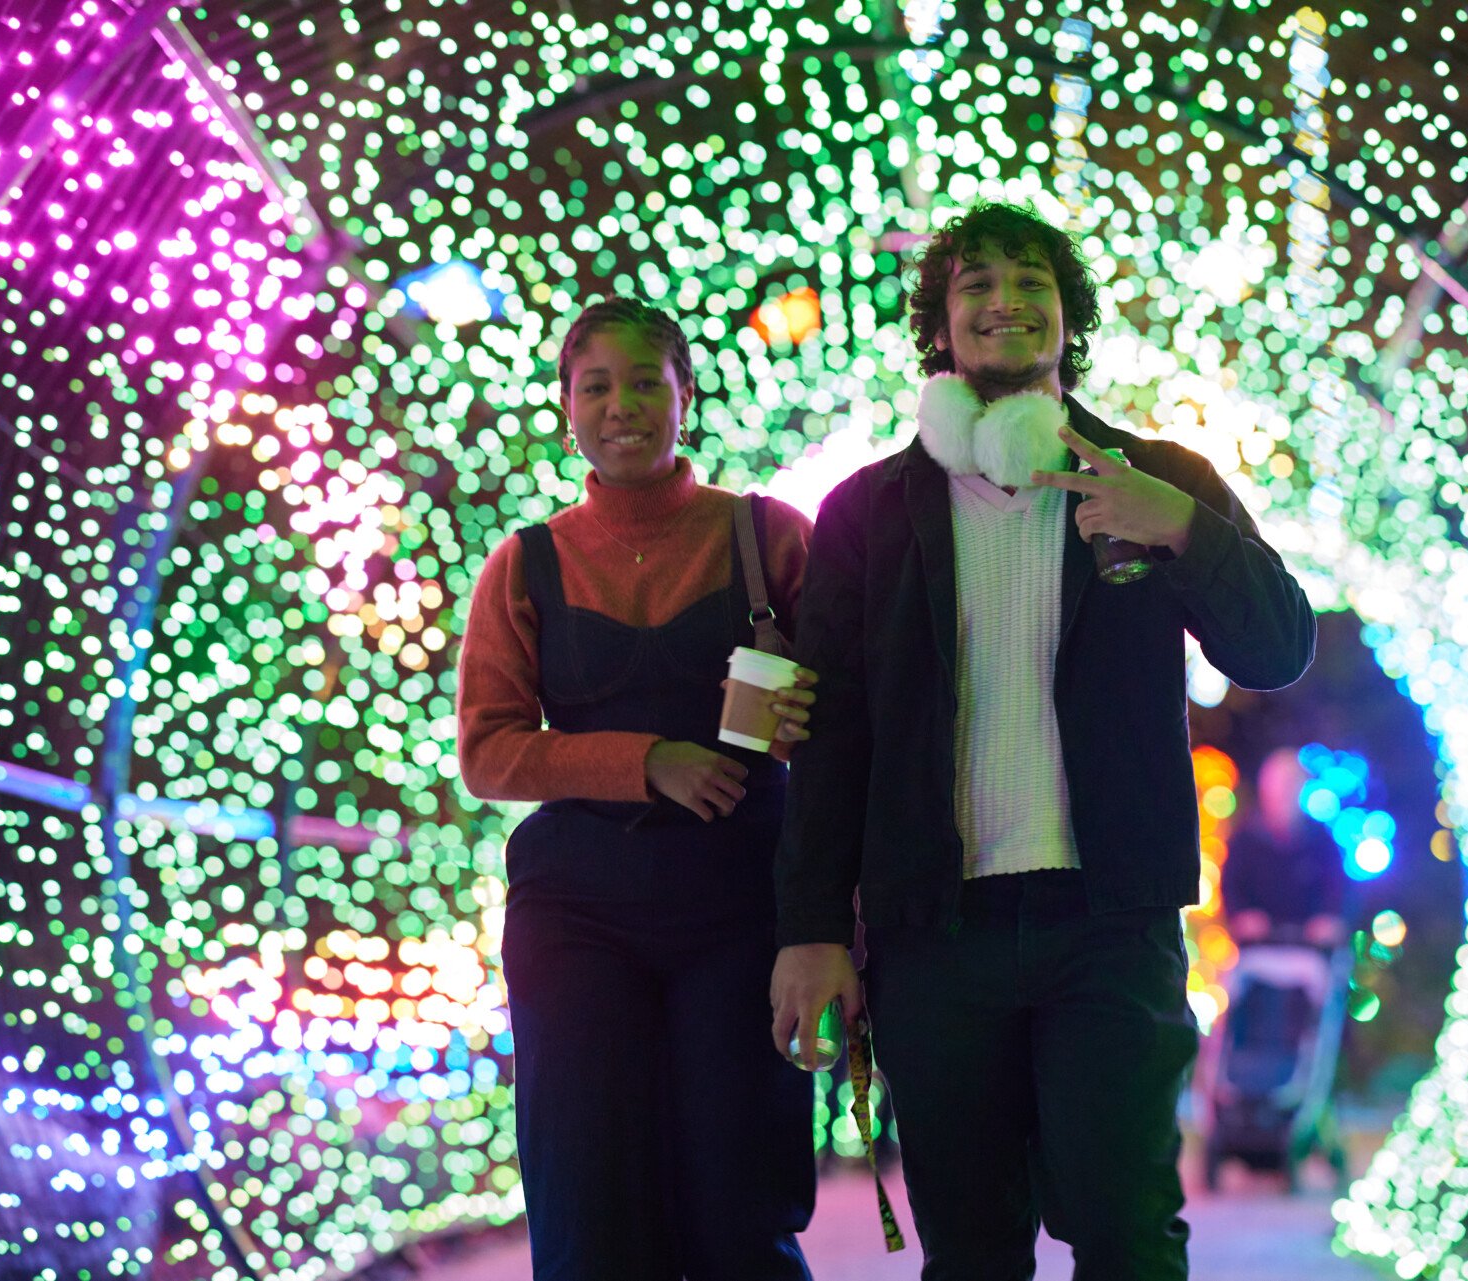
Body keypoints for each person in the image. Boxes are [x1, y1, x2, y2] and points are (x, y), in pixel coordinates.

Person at [769, 203, 1316, 1280]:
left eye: (1031, 281)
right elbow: (831, 742)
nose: (1005, 301)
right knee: (971, 1254)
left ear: (1069, 318)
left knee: (1125, 1236)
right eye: (976, 284)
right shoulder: (867, 515)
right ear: (941, 324)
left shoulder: (1157, 480)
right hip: (935, 932)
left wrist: (1182, 529)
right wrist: (813, 927)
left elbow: (1276, 648)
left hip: (1109, 925)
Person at [457, 296, 820, 1280]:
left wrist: (806, 724)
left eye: (645, 382)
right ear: (566, 406)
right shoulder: (524, 562)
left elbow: (852, 719)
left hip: (739, 907)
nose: (622, 406)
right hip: (576, 912)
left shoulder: (770, 537)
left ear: (686, 395)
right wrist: (646, 761)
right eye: (596, 385)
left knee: (739, 1199)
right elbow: (487, 754)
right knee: (589, 1207)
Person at [1223, 747, 1351, 948]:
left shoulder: (1321, 842)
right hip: (1257, 951)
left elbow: (1338, 893)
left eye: (1292, 783)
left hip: (1311, 953)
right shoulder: (1244, 840)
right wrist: (1242, 918)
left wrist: (1329, 921)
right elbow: (1232, 891)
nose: (1285, 792)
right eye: (1280, 784)